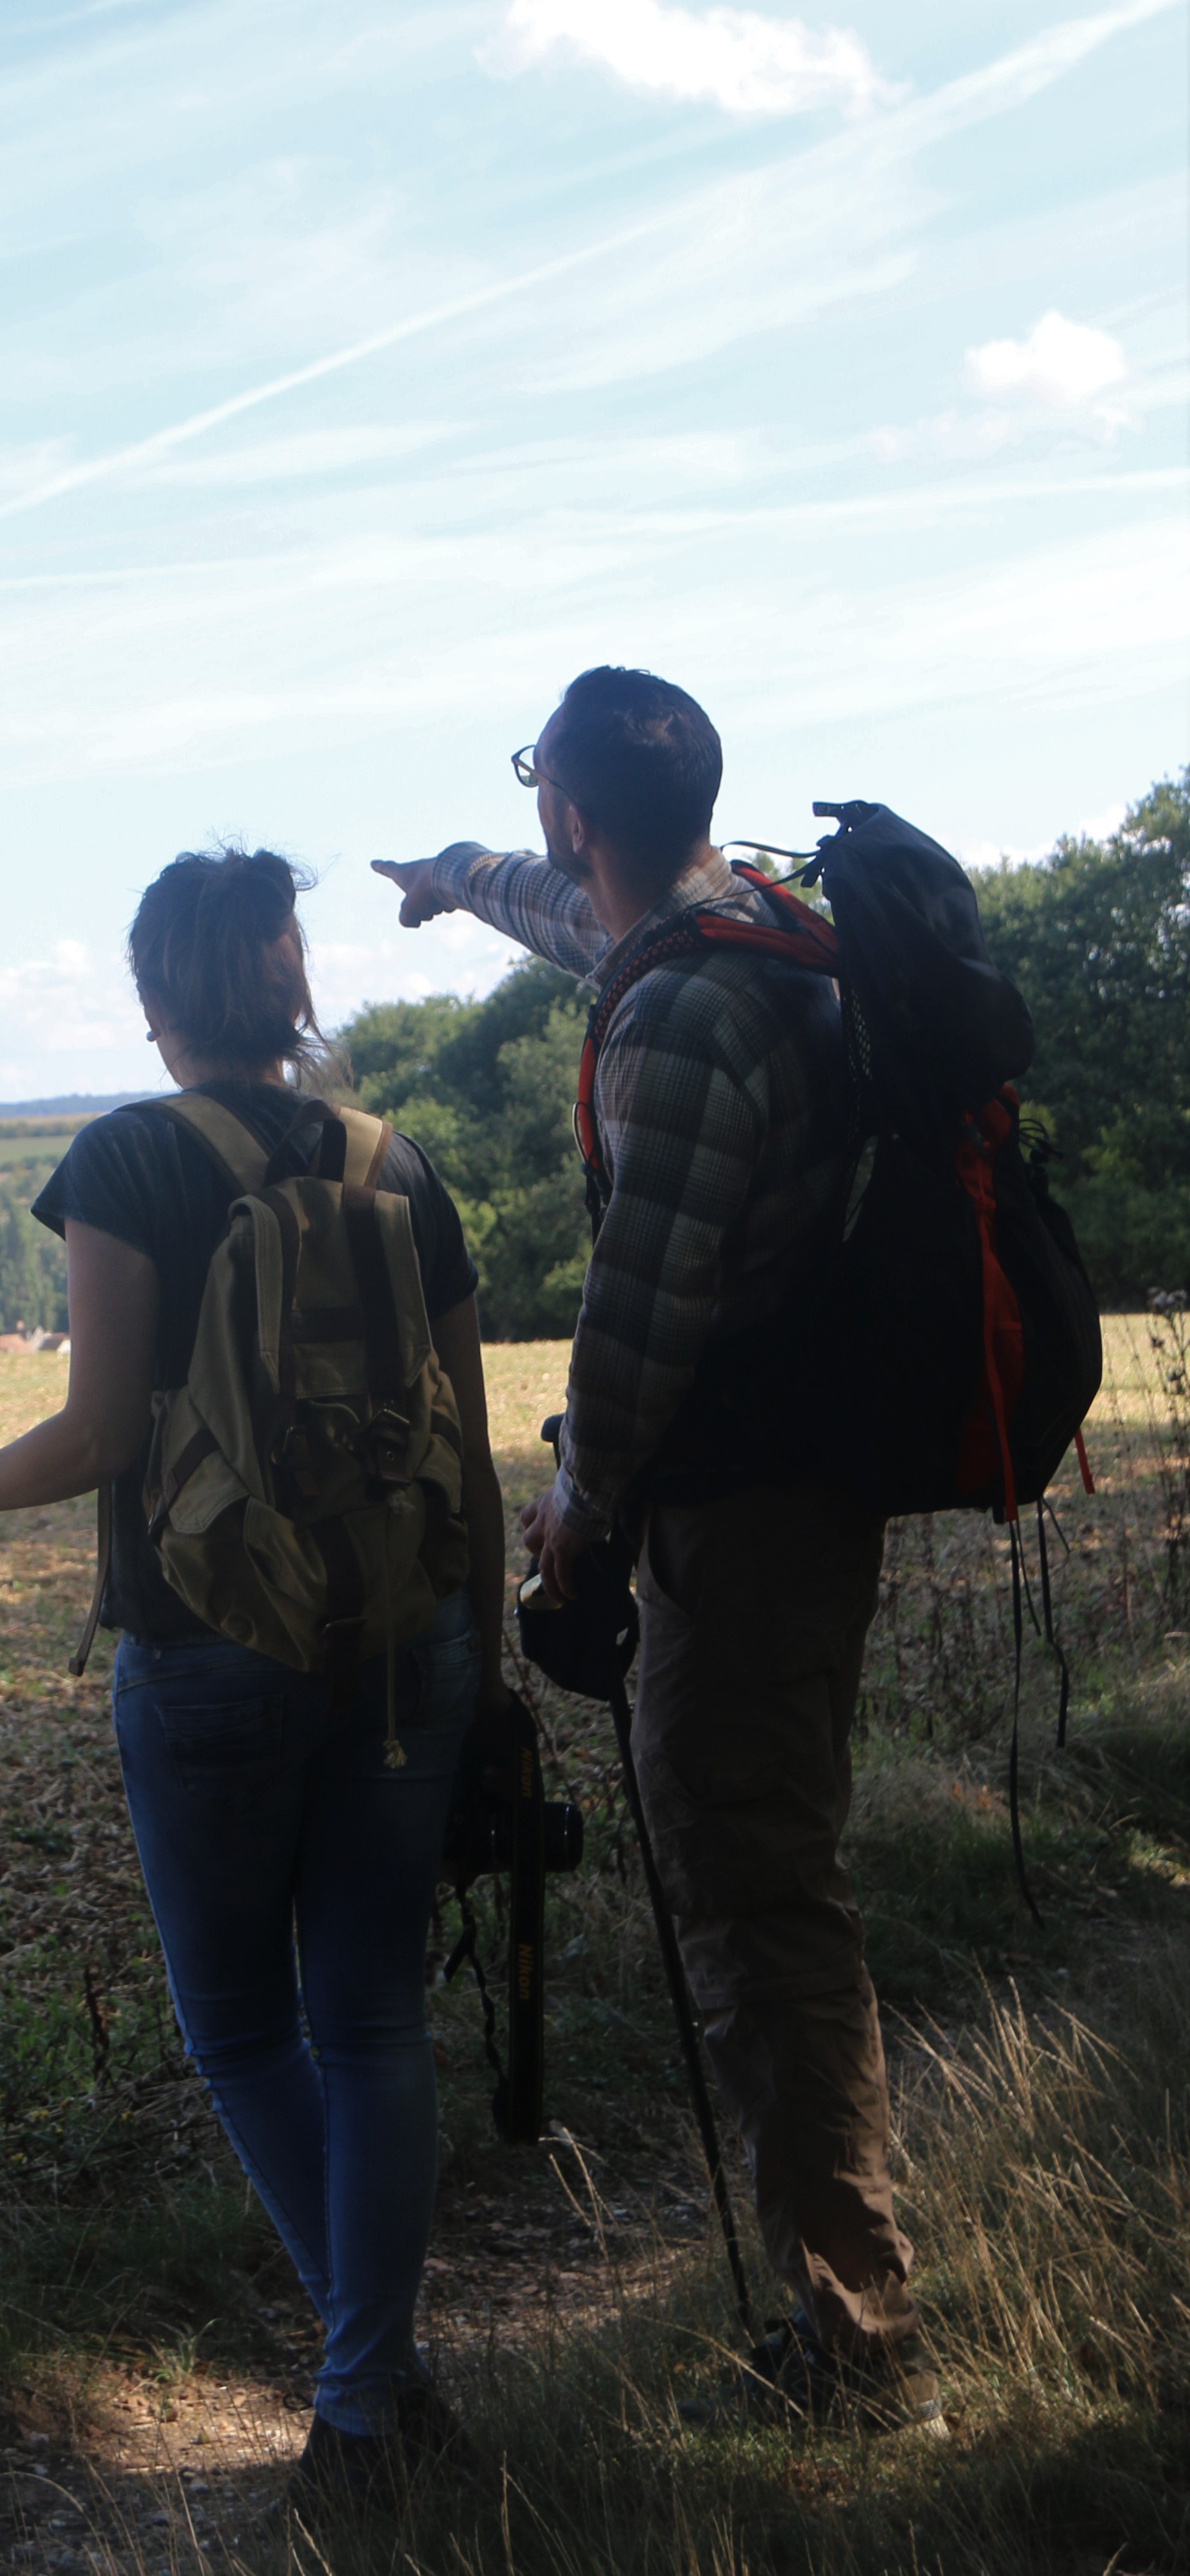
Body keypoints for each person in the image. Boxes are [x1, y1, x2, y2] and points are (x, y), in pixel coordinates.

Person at [0, 845, 507, 2509]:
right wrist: (488, 1663)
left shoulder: (129, 1158)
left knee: (240, 2026)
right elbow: (468, 1447)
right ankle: (374, 2402)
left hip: (210, 1647)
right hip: (410, 1648)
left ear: (157, 998)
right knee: (375, 2020)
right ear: (294, 986)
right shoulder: (400, 1164)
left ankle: (373, 2390)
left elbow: (100, 1433)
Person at [375, 665, 943, 2433]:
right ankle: (843, 2309)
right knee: (774, 1872)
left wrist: (579, 1509)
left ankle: (855, 2340)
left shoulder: (682, 1020)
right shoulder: (741, 920)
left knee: (757, 1892)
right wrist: (449, 876)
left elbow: (638, 1318)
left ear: (572, 809)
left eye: (534, 801)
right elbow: (567, 917)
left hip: (746, 1514)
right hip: (796, 1484)